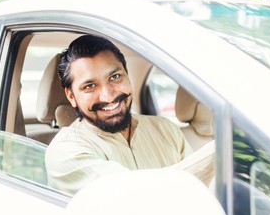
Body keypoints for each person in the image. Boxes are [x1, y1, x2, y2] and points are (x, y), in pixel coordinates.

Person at [45, 34, 213, 195]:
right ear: (71, 96)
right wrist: (222, 153)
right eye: (89, 86)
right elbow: (138, 195)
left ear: (128, 76)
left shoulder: (166, 129)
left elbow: (201, 195)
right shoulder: (64, 152)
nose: (108, 96)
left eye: (115, 76)